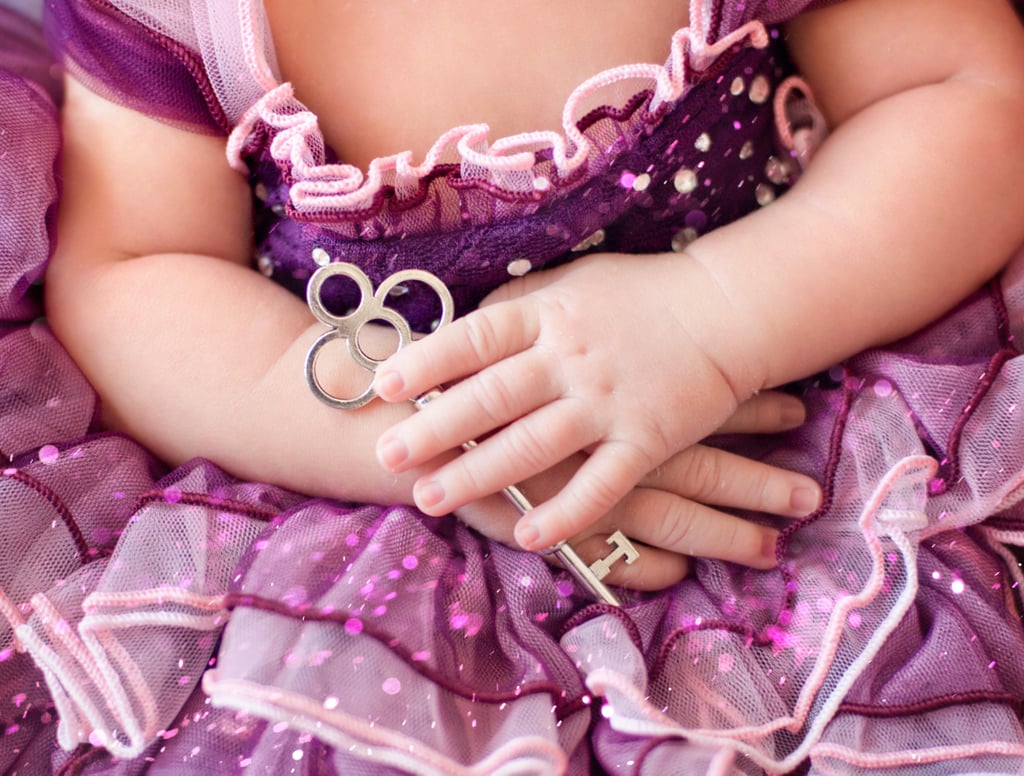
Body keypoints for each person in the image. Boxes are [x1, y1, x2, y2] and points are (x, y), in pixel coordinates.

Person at [0, 0, 1022, 773]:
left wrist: (711, 316)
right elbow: (137, 273)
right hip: (356, 489)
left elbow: (965, 96)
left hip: (806, 405)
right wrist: (440, 436)